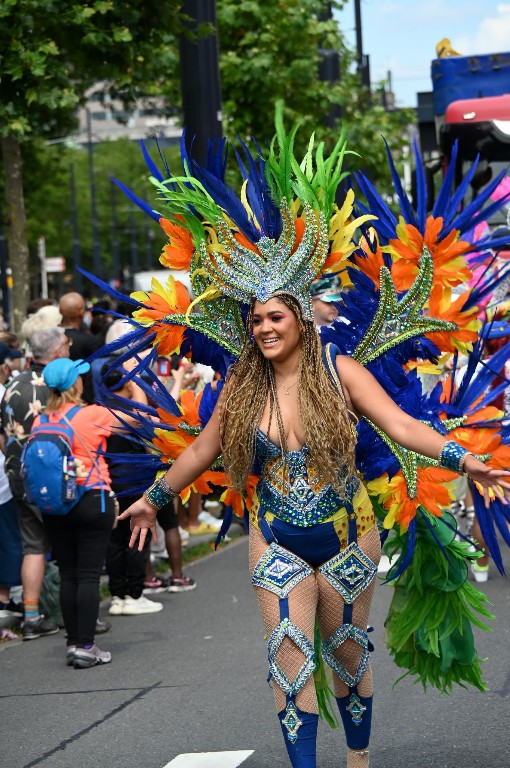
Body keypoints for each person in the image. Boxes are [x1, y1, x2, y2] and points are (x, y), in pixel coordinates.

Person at [120, 291, 510, 768]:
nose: (264, 327)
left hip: (349, 535)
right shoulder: (243, 383)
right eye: (257, 319)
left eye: (276, 317)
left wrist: (466, 461)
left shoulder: (339, 371)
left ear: (301, 320)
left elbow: (401, 426)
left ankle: (358, 757)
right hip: (274, 535)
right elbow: (204, 450)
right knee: (288, 658)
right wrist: (150, 500)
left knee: (346, 652)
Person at [33, 357, 149, 667]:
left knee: (70, 574)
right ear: (75, 384)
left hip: (55, 505)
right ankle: (86, 646)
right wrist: (134, 382)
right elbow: (139, 416)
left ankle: (74, 643)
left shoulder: (41, 421)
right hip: (90, 499)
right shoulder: (92, 415)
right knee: (87, 575)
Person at [0, 327, 70, 640]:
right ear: (56, 352)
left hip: (18, 476)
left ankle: (31, 617)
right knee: (70, 546)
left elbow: (3, 436)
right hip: (54, 480)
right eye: (66, 345)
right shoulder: (58, 385)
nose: (69, 348)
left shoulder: (12, 383)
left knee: (33, 547)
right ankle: (75, 614)